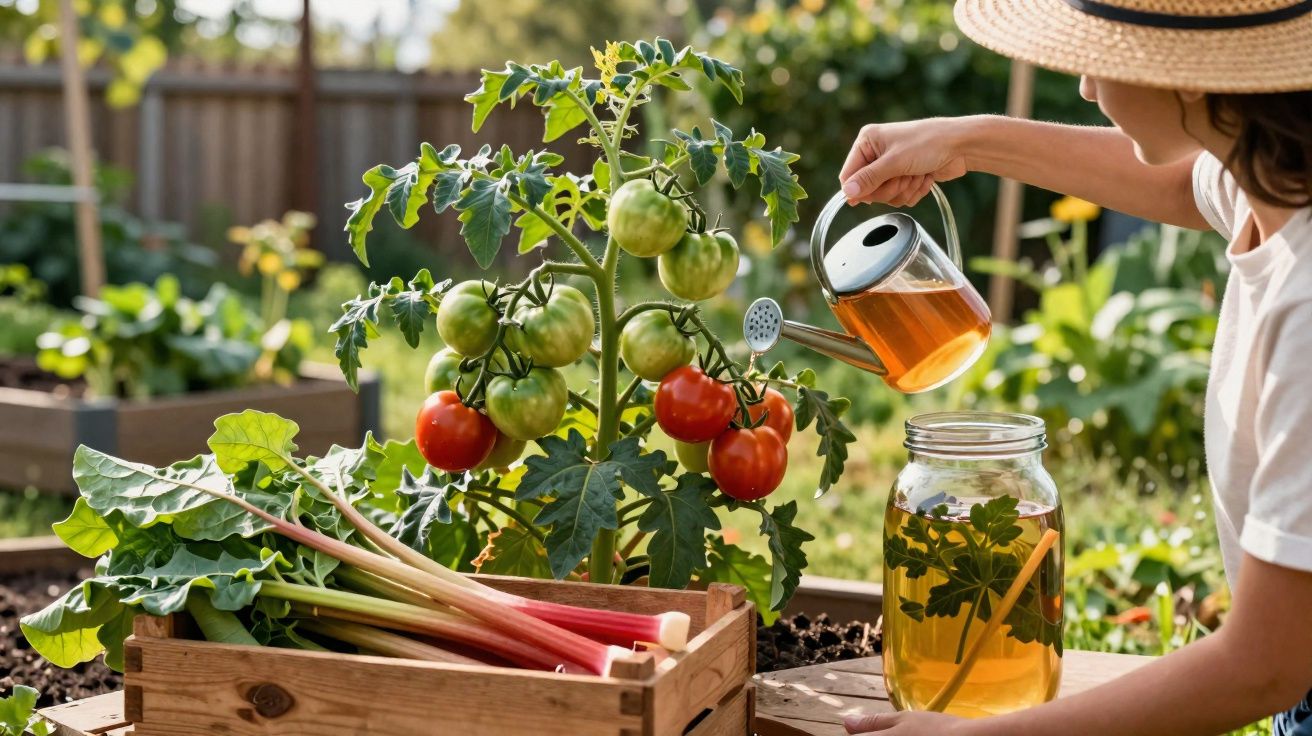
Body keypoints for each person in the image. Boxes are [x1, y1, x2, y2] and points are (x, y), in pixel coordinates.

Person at [837, 1, 1312, 734]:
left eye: (1103, 55)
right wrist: (966, 140)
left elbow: (1269, 663)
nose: (1086, 86)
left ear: (1186, 77)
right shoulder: (1271, 180)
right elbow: (1181, 183)